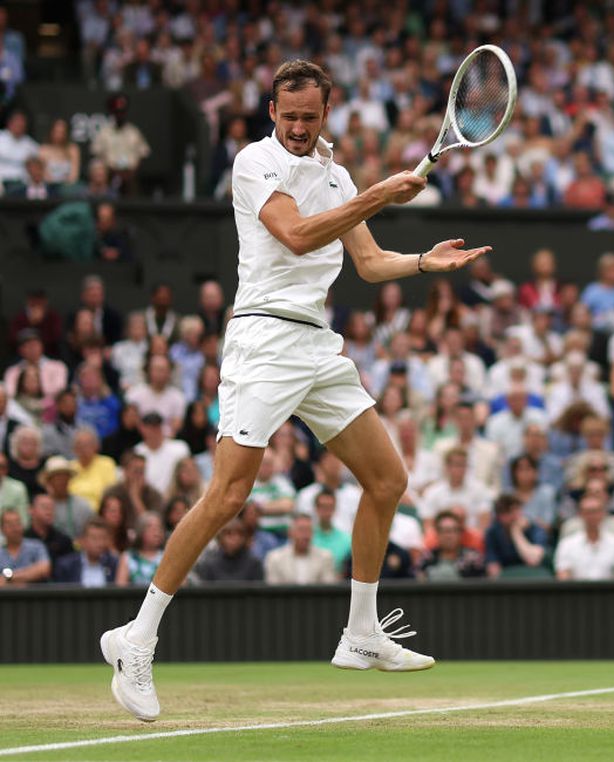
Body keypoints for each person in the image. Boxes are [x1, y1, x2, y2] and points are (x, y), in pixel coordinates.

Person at [99, 60, 491, 721]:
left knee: (388, 480)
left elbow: (366, 264)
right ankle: (136, 639)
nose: (300, 128)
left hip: (316, 343)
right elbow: (299, 233)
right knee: (228, 493)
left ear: (327, 111)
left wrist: (424, 261)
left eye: (311, 117)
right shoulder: (256, 163)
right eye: (290, 117)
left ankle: (361, 632)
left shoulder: (337, 175)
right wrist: (380, 196)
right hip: (263, 342)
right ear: (271, 113)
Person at [554, 493, 614, 581]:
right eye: (587, 512)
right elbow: (563, 577)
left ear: (603, 513)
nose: (591, 516)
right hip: (576, 593)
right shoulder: (567, 544)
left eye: (595, 511)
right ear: (580, 514)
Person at [483, 494, 547, 577]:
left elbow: (533, 560)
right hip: (507, 580)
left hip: (534, 577)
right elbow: (493, 566)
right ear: (499, 516)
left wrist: (516, 532)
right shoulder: (493, 532)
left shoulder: (533, 528)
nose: (514, 516)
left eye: (517, 510)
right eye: (507, 512)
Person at [264, 513, 339, 585]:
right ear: (290, 533)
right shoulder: (274, 558)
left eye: (308, 530)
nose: (305, 535)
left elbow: (328, 591)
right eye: (301, 530)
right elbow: (273, 593)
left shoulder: (325, 557)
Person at [419, 511, 486, 581]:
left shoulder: (473, 558)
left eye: (454, 530)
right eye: (445, 531)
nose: (449, 535)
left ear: (460, 533)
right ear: (437, 534)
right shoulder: (427, 558)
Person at [53, 517, 119, 586]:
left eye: (102, 538)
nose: (99, 543)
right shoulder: (66, 566)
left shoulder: (113, 564)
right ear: (83, 541)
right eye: (94, 538)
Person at [0, 507, 50, 585]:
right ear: (2, 529)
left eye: (17, 523)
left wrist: (9, 577)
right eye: (10, 524)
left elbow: (44, 569)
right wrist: (29, 573)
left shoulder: (36, 546)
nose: (15, 527)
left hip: (34, 595)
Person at [116, 513, 166, 587]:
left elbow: (181, 587)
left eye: (159, 527)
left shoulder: (167, 557)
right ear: (141, 530)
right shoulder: (128, 557)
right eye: (151, 527)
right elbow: (120, 587)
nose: (156, 531)